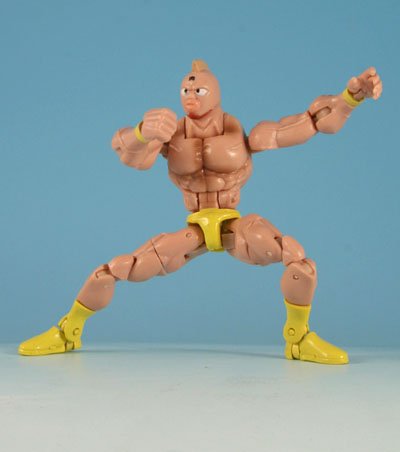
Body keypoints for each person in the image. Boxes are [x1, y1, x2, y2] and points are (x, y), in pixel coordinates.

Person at [19, 60, 382, 364]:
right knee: (116, 269)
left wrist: (350, 98)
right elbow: (127, 153)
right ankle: (68, 331)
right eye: (185, 90)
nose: (190, 96)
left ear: (216, 93)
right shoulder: (170, 137)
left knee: (298, 261)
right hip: (194, 229)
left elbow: (308, 124)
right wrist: (143, 133)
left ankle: (298, 338)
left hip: (235, 227)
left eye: (199, 90)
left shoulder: (245, 136)